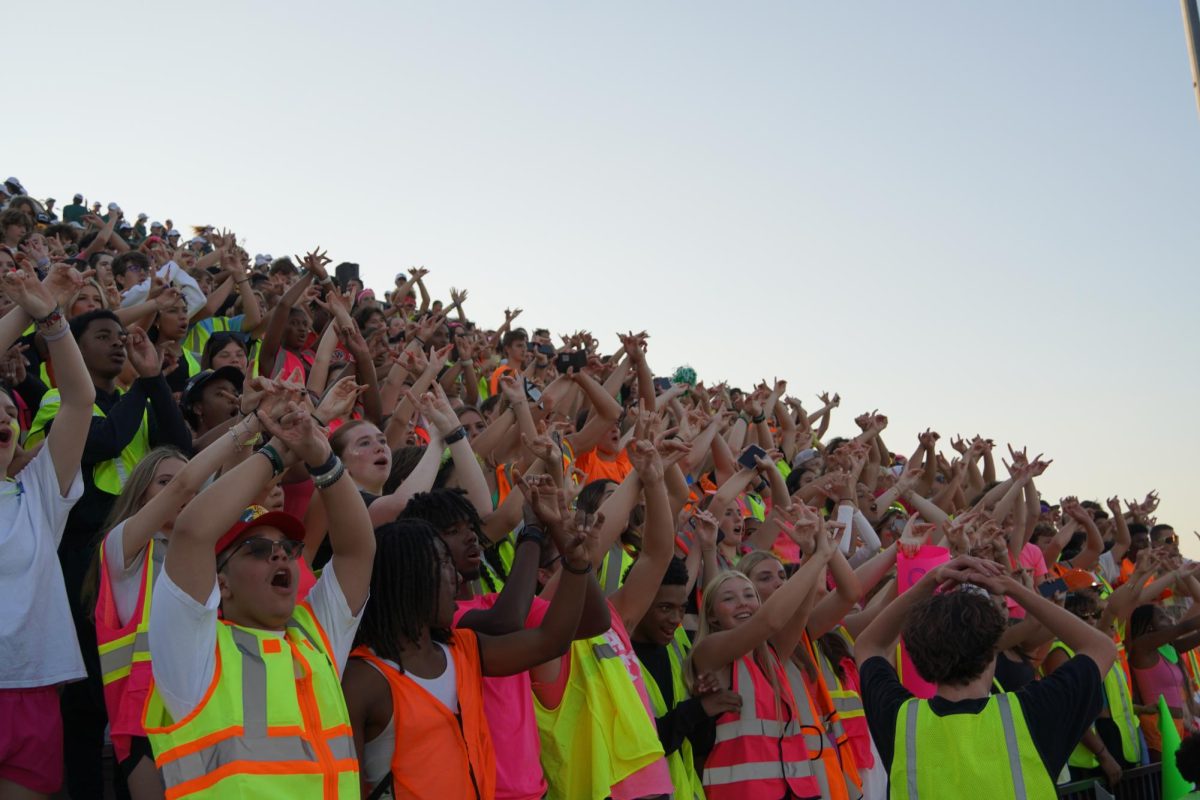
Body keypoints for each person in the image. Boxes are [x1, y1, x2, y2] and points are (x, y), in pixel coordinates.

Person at [142, 395, 375, 797]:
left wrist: (323, 459)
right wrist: (276, 453)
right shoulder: (196, 651)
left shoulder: (313, 638)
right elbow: (193, 533)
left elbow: (357, 552)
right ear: (222, 583)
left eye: (286, 545)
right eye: (257, 550)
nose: (280, 553)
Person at [342, 496, 596, 799]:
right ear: (407, 578)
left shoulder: (463, 648)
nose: (455, 576)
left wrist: (578, 564)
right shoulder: (361, 679)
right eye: (443, 564)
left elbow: (551, 642)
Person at [855, 555, 1118, 798]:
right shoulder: (1033, 711)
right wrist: (1014, 588)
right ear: (994, 649)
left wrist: (931, 579)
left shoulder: (902, 721)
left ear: (917, 655)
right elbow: (1101, 647)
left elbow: (868, 645)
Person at [0, 265, 94, 799]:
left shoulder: (39, 494)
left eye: (9, 412)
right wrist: (23, 309)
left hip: (33, 689)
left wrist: (53, 318)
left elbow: (79, 403)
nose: (3, 419)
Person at [686, 509, 835, 800]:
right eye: (728, 599)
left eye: (749, 595)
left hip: (792, 792)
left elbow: (800, 611)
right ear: (713, 616)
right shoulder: (710, 651)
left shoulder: (770, 653)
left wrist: (809, 553)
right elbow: (770, 621)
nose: (742, 603)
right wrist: (819, 559)